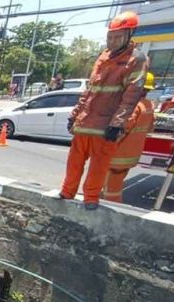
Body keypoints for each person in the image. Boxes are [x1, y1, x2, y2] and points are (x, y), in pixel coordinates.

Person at [59, 11, 148, 210]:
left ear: (129, 35)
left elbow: (130, 96)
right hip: (86, 121)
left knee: (99, 164)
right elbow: (90, 90)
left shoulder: (136, 59)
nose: (112, 41)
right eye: (110, 36)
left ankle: (90, 197)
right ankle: (67, 191)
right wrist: (75, 116)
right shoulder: (104, 57)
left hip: (105, 124)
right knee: (74, 161)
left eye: (117, 37)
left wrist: (117, 124)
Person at [102, 72, 156, 203]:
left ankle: (111, 208)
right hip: (131, 155)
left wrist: (104, 146)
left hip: (118, 155)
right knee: (115, 182)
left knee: (111, 188)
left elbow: (121, 130)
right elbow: (150, 127)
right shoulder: (149, 105)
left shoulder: (133, 107)